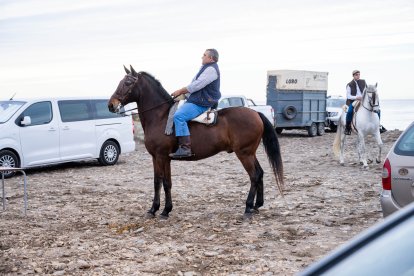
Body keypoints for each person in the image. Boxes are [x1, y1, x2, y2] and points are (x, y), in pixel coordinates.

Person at [169, 49, 221, 158]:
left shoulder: (211, 69)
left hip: (202, 102)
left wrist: (180, 91)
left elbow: (196, 85)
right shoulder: (205, 68)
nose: (202, 57)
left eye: (204, 55)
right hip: (198, 99)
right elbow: (194, 86)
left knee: (179, 116)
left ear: (211, 58)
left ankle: (185, 148)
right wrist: (183, 96)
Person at [344, 70, 386, 135]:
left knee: (377, 110)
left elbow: (367, 91)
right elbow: (348, 96)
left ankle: (378, 126)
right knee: (349, 111)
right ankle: (348, 127)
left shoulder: (363, 82)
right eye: (356, 75)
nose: (358, 76)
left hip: (364, 100)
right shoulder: (349, 85)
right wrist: (356, 97)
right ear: (353, 76)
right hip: (354, 101)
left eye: (359, 74)